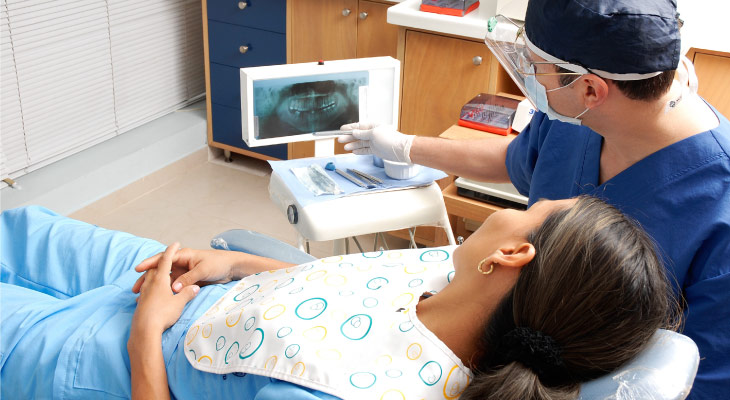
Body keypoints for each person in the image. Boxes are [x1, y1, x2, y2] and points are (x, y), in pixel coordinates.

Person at [338, 1, 730, 397]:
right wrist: (407, 147)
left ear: (590, 88)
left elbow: (702, 379)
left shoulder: (719, 208)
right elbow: (519, 160)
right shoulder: (575, 117)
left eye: (534, 65)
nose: (528, 75)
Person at [1, 197, 675, 399]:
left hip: (118, 361)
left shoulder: (344, 393)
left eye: (535, 209)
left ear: (513, 254)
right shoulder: (461, 281)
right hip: (198, 286)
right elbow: (334, 290)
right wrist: (232, 262)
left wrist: (146, 331)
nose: (525, 205)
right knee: (26, 229)